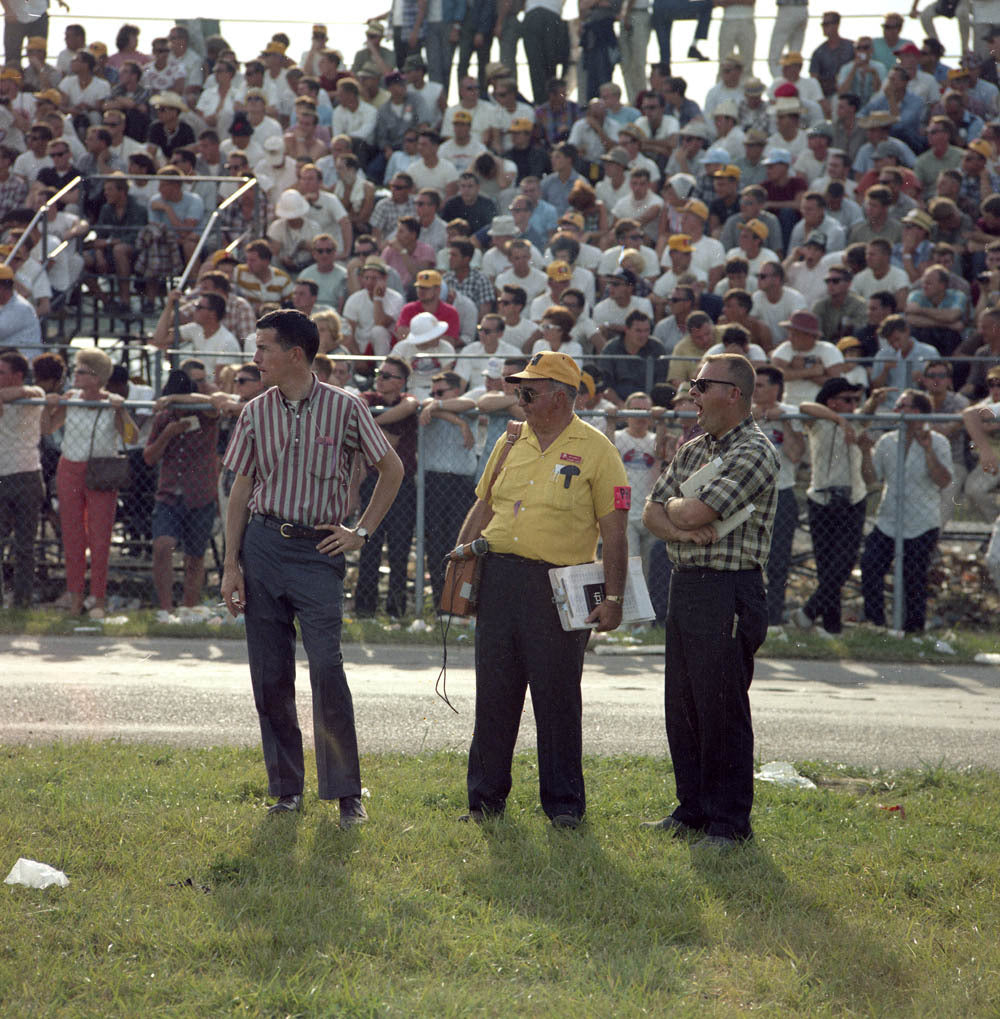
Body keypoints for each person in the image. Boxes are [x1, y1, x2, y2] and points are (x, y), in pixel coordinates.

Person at [221, 309, 404, 821]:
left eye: (264, 350)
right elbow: (240, 489)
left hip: (317, 552)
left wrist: (359, 532)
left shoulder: (347, 407)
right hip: (261, 545)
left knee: (326, 667)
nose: (255, 359)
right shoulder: (254, 411)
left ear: (295, 354)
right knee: (270, 674)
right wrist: (231, 564)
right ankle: (286, 790)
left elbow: (391, 468)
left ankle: (346, 794)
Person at [455, 350, 628, 828]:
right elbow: (485, 507)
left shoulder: (597, 449)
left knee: (556, 699)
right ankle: (485, 801)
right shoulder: (509, 442)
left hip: (558, 586)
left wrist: (613, 599)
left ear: (560, 396)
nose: (520, 397)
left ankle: (565, 806)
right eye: (518, 389)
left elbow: (614, 530)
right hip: (499, 578)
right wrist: (461, 560)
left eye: (528, 390)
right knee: (494, 695)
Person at [641, 353, 778, 849]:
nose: (691, 394)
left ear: (734, 393)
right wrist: (681, 520)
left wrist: (678, 512)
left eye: (701, 385)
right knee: (683, 705)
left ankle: (728, 823)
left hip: (730, 591)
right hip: (689, 584)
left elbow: (691, 508)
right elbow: (649, 514)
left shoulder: (756, 450)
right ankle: (692, 808)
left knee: (722, 708)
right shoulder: (694, 449)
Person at [43, 347, 138, 619]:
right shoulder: (70, 397)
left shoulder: (112, 401)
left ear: (96, 377)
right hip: (69, 469)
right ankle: (75, 598)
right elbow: (47, 429)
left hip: (100, 472)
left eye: (81, 370)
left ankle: (98, 598)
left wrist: (121, 412)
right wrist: (49, 407)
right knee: (73, 537)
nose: (76, 374)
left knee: (99, 538)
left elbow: (131, 438)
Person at [859, 388, 951, 633]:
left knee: (914, 577)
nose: (897, 411)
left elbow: (943, 480)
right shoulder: (888, 441)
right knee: (870, 565)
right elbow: (871, 478)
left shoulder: (938, 441)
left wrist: (928, 449)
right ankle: (876, 623)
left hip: (922, 521)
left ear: (918, 412)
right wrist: (865, 451)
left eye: (903, 407)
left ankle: (913, 629)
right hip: (888, 519)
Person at [794, 378, 868, 636]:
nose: (853, 405)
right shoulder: (820, 422)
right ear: (832, 401)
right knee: (826, 566)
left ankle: (808, 612)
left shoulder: (859, 421)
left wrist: (872, 403)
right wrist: (840, 420)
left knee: (845, 562)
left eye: (856, 400)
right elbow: (805, 406)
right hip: (821, 499)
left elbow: (868, 412)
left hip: (853, 499)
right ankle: (831, 627)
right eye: (847, 400)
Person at [144, 369, 220, 613]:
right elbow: (149, 458)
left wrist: (182, 401)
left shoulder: (206, 416)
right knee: (163, 546)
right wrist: (168, 434)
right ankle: (166, 608)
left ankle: (189, 608)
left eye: (180, 404)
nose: (178, 411)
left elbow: (214, 402)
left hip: (200, 495)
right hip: (169, 495)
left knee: (195, 556)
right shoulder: (164, 419)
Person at [354, 356, 419, 619]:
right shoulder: (368, 399)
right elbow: (358, 404)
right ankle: (364, 610)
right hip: (372, 483)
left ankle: (396, 610)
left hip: (402, 487)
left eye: (387, 376)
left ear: (401, 382)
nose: (379, 379)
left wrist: (371, 425)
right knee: (368, 543)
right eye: (379, 373)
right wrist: (377, 425)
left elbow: (410, 406)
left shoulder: (406, 402)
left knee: (399, 549)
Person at [752, 365, 805, 629]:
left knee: (778, 560)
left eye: (761, 385)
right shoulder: (743, 413)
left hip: (781, 493)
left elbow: (796, 455)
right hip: (748, 495)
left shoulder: (790, 413)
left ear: (776, 389)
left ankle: (772, 619)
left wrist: (782, 421)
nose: (755, 390)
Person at [0, 351, 45, 609]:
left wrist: (14, 393)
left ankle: (22, 601)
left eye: (2, 372)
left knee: (25, 546)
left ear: (18, 375)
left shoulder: (34, 393)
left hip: (27, 474)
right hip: (1, 476)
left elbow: (34, 393)